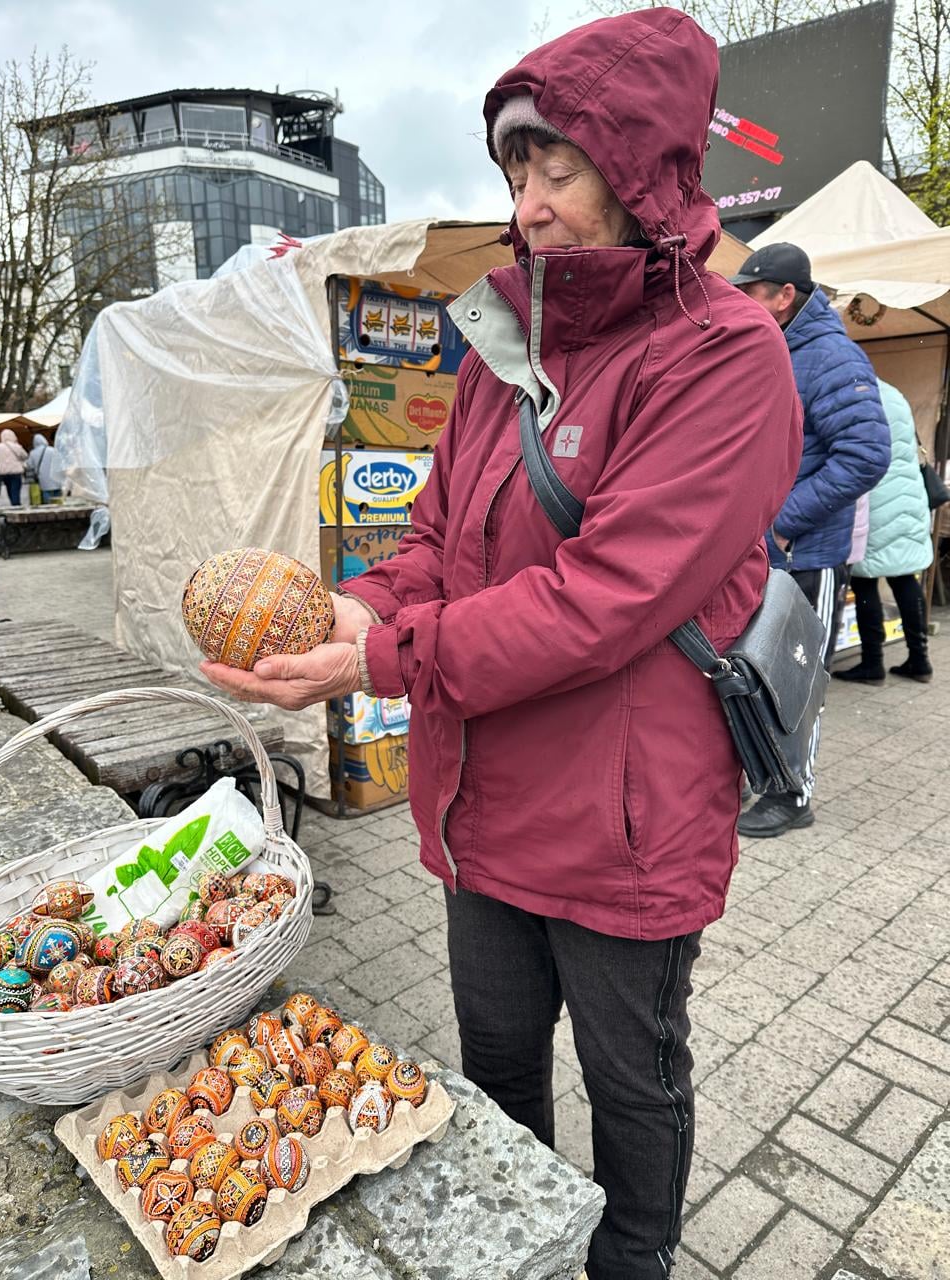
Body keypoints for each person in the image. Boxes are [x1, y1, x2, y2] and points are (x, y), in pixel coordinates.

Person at [202, 10, 802, 1277]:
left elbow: (603, 598)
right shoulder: (499, 350)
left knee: (633, 1083)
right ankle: (515, 1241)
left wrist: (379, 663)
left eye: (557, 170)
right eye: (513, 173)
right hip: (480, 802)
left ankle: (630, 1258)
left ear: (642, 169)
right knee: (497, 1071)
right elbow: (433, 537)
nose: (526, 206)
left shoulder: (725, 355)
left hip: (623, 818)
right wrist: (359, 605)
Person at [731, 242, 890, 838]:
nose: (742, 300)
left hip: (808, 552)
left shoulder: (831, 357)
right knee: (756, 667)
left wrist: (784, 519)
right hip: (767, 551)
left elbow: (868, 453)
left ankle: (793, 795)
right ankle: (761, 773)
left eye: (751, 291)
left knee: (797, 676)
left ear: (783, 296)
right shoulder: (778, 348)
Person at [835, 380, 934, 684]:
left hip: (877, 499)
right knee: (905, 576)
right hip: (908, 495)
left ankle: (872, 663)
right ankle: (920, 660)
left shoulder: (854, 392)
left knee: (865, 581)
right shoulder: (896, 393)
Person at [0, 428, 28, 507]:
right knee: (15, 489)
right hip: (16, 472)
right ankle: (16, 505)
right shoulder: (17, 446)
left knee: (9, 489)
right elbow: (25, 456)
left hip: (4, 472)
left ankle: (13, 504)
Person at [27, 432, 63, 504]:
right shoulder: (52, 450)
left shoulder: (32, 453)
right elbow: (60, 462)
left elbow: (30, 465)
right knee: (58, 498)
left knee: (46, 496)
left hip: (43, 479)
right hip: (55, 477)